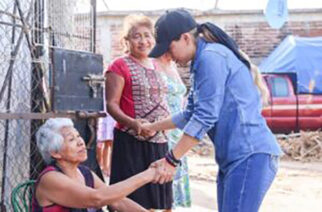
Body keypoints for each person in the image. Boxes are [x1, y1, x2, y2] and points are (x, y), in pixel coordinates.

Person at [144, 9, 283, 212]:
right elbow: (190, 113)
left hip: (249, 154)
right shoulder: (200, 61)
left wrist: (171, 160)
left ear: (185, 38)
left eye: (169, 47)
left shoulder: (211, 58)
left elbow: (204, 117)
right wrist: (152, 127)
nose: (168, 55)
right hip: (234, 157)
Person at [105, 14, 172, 211]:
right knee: (133, 200)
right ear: (127, 40)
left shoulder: (158, 64)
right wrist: (134, 124)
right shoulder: (119, 65)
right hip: (132, 141)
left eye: (147, 35)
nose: (143, 41)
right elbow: (111, 105)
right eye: (136, 36)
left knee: (159, 200)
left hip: (159, 141)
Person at [33, 118, 155, 212]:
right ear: (55, 153)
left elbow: (117, 202)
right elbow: (96, 199)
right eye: (71, 140)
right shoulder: (50, 179)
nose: (80, 142)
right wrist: (147, 175)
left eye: (78, 136)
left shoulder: (85, 173)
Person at [154, 53, 191, 209]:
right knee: (162, 179)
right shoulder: (152, 63)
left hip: (178, 128)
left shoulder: (173, 65)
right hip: (162, 127)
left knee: (175, 174)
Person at [96, 102, 116, 177]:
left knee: (110, 143)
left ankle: (108, 167)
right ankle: (101, 165)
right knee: (101, 142)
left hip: (112, 116)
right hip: (103, 114)